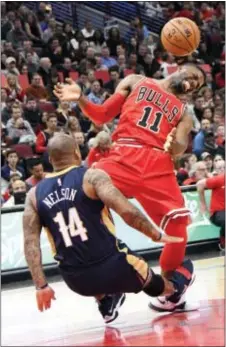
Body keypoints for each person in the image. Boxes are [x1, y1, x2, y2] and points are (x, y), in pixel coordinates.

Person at [54, 63, 206, 312]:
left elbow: (179, 144)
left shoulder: (184, 113)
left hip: (158, 162)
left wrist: (175, 147)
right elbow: (102, 115)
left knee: (178, 225)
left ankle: (170, 292)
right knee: (79, 198)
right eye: (191, 75)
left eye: (196, 84)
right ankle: (106, 292)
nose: (192, 82)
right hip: (123, 154)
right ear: (177, 68)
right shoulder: (136, 81)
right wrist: (80, 98)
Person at [23, 133, 194, 323]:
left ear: (50, 159)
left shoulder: (33, 195)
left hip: (76, 280)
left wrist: (41, 286)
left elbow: (31, 245)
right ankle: (174, 292)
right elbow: (128, 212)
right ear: (77, 153)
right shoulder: (91, 177)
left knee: (81, 256)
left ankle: (106, 303)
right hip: (114, 267)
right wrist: (156, 234)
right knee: (151, 280)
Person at [197, 170, 225, 252]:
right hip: (217, 213)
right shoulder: (220, 179)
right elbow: (200, 184)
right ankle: (223, 242)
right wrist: (203, 204)